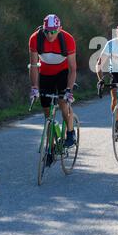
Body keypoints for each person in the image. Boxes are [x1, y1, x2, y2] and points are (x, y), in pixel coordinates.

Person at [29, 14, 77, 148]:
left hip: (63, 73)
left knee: (63, 103)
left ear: (60, 29)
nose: (50, 35)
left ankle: (71, 132)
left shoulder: (68, 39)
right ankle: (51, 146)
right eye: (47, 31)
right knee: (47, 113)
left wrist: (69, 90)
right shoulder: (35, 39)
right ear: (43, 29)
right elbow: (33, 66)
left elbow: (73, 69)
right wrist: (34, 88)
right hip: (45, 73)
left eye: (53, 31)